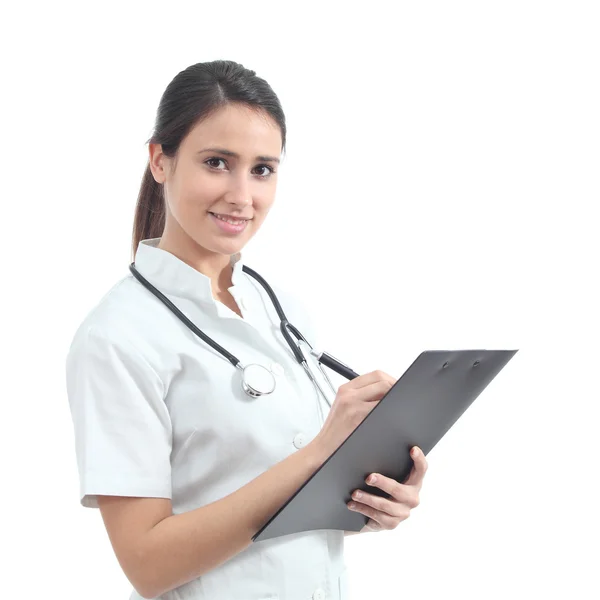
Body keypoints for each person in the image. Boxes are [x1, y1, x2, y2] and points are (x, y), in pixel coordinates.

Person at [65, 59, 428, 600]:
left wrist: (373, 498)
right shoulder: (116, 338)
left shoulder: (278, 305)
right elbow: (147, 564)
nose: (242, 195)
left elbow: (292, 497)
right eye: (217, 162)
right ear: (160, 161)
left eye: (263, 169)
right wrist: (319, 454)